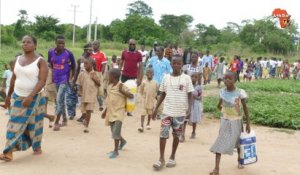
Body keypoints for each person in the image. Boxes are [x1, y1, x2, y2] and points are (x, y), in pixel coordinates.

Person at [0, 35, 48, 161]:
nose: (25, 44)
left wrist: (31, 96)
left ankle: (37, 147)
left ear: (35, 45)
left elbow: (42, 81)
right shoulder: (17, 60)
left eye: (29, 42)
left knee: (35, 124)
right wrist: (8, 96)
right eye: (23, 42)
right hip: (18, 96)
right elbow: (14, 78)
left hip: (35, 98)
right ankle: (8, 151)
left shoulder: (41, 61)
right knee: (13, 124)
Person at [152, 55, 193, 170]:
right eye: (174, 63)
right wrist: (156, 109)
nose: (176, 65)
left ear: (182, 64)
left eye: (179, 63)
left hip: (180, 113)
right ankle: (161, 158)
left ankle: (172, 156)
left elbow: (190, 94)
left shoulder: (186, 78)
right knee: (162, 135)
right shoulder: (166, 78)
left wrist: (189, 109)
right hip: (167, 112)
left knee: (176, 136)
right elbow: (162, 94)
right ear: (171, 63)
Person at [209, 71, 251, 175]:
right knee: (220, 141)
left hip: (236, 121)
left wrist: (248, 123)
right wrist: (223, 110)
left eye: (230, 78)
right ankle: (216, 169)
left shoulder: (240, 92)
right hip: (225, 121)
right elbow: (219, 105)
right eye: (225, 78)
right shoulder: (222, 92)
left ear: (235, 80)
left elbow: (245, 108)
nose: (227, 80)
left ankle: (239, 161)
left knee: (238, 142)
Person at [101, 69, 133, 159]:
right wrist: (105, 111)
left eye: (109, 76)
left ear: (113, 77)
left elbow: (131, 96)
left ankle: (115, 151)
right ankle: (122, 141)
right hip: (111, 111)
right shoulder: (110, 86)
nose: (108, 77)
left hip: (119, 112)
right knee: (113, 131)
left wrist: (122, 91)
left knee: (115, 132)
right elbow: (109, 100)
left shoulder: (122, 86)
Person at [48, 35, 76, 131]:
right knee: (60, 100)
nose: (61, 45)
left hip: (64, 79)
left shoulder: (69, 53)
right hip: (55, 78)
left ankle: (56, 122)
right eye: (59, 43)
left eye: (63, 43)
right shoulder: (51, 52)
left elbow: (74, 66)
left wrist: (72, 79)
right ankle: (64, 119)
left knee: (59, 99)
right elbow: (50, 63)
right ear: (55, 43)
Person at [147, 46, 173, 118]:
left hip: (162, 83)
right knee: (152, 97)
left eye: (158, 51)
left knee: (159, 97)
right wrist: (149, 67)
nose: (157, 52)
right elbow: (147, 67)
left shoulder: (166, 62)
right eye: (156, 51)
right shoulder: (152, 59)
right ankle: (151, 111)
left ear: (162, 52)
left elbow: (170, 71)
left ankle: (158, 113)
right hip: (152, 82)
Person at [120, 39, 143, 116]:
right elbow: (121, 63)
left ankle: (129, 111)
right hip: (124, 76)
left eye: (134, 44)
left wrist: (140, 78)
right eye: (131, 44)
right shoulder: (124, 52)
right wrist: (118, 73)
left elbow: (140, 67)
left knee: (132, 94)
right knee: (122, 92)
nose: (132, 46)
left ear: (135, 45)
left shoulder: (139, 54)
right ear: (128, 44)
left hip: (133, 77)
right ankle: (123, 108)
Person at [77, 58, 100, 133]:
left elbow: (99, 84)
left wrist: (94, 78)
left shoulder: (95, 73)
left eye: (87, 64)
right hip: (84, 95)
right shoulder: (82, 73)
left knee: (89, 111)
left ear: (92, 65)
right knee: (84, 111)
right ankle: (85, 119)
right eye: (84, 64)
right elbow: (79, 84)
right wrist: (79, 91)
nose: (85, 65)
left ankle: (86, 126)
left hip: (91, 95)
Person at [74, 43, 95, 123]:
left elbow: (95, 71)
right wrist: (74, 82)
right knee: (80, 99)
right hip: (80, 81)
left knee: (87, 99)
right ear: (85, 50)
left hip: (89, 82)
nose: (91, 51)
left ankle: (85, 116)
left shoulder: (92, 60)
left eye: (92, 50)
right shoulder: (80, 59)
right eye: (89, 50)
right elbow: (77, 71)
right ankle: (84, 115)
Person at [181, 72, 202, 141]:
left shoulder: (198, 87)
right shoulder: (187, 86)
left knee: (194, 120)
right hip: (187, 104)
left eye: (195, 77)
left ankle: (193, 132)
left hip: (195, 105)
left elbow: (200, 98)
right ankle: (182, 134)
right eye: (192, 77)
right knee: (185, 119)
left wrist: (194, 96)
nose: (193, 78)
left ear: (198, 78)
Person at [138, 68, 159, 132]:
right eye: (148, 73)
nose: (149, 74)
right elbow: (141, 90)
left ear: (153, 74)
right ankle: (141, 126)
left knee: (150, 112)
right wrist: (143, 97)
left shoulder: (155, 83)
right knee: (143, 112)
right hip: (144, 99)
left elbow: (157, 91)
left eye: (151, 73)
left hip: (151, 100)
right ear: (146, 74)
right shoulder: (144, 82)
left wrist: (156, 98)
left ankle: (148, 123)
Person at [91, 40, 107, 111]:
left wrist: (101, 75)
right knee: (91, 90)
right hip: (91, 73)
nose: (94, 46)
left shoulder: (102, 54)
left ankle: (101, 104)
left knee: (100, 91)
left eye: (96, 44)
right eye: (93, 44)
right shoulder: (90, 53)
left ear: (99, 46)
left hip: (99, 73)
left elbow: (103, 66)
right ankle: (91, 106)